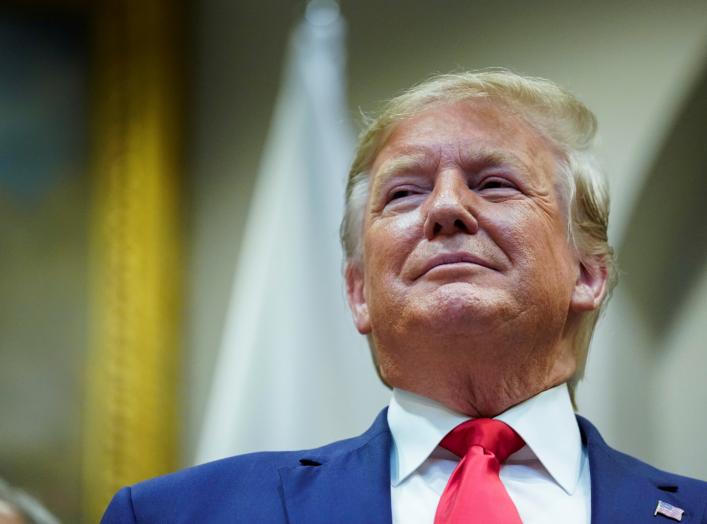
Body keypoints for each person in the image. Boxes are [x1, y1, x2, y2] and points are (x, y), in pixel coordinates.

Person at [101, 70, 707, 523]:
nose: (445, 209)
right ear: (358, 291)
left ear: (588, 274)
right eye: (404, 194)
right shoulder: (172, 516)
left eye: (494, 184)